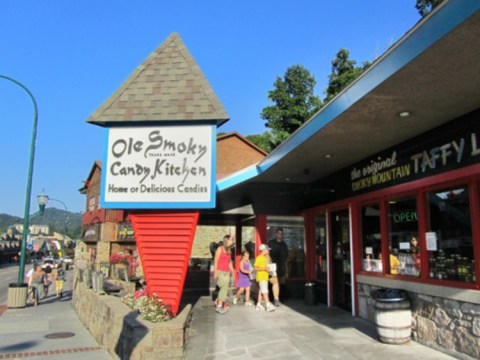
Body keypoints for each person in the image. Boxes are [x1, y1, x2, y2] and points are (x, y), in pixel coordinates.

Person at [213, 235, 235, 314]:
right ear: (227, 241)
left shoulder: (229, 250)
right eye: (231, 240)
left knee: (224, 287)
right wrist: (215, 272)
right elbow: (215, 261)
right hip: (220, 271)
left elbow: (229, 262)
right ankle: (219, 306)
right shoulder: (220, 249)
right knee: (223, 286)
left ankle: (218, 301)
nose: (232, 241)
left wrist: (232, 271)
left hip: (227, 272)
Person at [267, 228, 289, 306]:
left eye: (281, 234)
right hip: (273, 268)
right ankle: (274, 299)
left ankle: (280, 298)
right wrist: (269, 265)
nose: (280, 235)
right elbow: (267, 255)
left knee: (282, 283)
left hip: (282, 267)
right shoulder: (271, 243)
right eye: (279, 233)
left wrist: (287, 271)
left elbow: (286, 258)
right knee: (274, 283)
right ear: (276, 234)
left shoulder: (284, 245)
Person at [254, 244, 276, 312]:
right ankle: (268, 305)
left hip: (265, 277)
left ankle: (259, 305)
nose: (268, 251)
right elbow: (255, 268)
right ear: (263, 250)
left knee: (261, 291)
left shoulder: (265, 258)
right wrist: (264, 268)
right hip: (261, 277)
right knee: (265, 291)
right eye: (267, 250)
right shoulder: (259, 258)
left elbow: (267, 266)